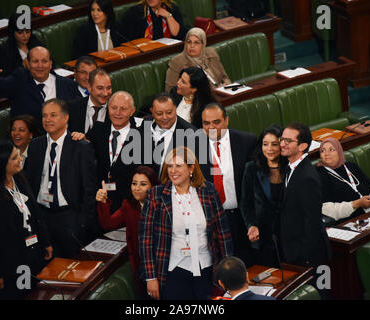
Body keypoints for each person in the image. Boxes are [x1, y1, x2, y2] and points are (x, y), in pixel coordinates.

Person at [139, 146, 233, 300]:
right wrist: (151, 277)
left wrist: (229, 270)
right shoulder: (156, 195)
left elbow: (223, 232)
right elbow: (145, 239)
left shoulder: (208, 190)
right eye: (169, 166)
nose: (173, 170)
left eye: (178, 166)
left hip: (206, 270)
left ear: (191, 168)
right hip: (172, 270)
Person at [0, 141, 53, 299]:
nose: (20, 159)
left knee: (36, 294)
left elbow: (35, 214)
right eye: (14, 158)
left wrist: (46, 242)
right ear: (1, 164)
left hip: (33, 255)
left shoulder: (19, 179)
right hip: (11, 263)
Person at [25, 99, 97, 258]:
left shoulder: (80, 146)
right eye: (44, 116)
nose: (47, 120)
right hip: (41, 216)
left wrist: (82, 223)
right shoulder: (35, 145)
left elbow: (89, 190)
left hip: (69, 218)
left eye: (53, 115)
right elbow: (28, 183)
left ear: (66, 118)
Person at [200, 102, 256, 267]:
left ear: (226, 120)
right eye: (206, 123)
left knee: (246, 265)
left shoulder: (247, 141)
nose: (211, 127)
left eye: (216, 122)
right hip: (210, 221)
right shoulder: (192, 146)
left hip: (240, 219)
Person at [96, 166, 158, 296]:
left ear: (153, 187)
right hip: (139, 266)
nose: (137, 188)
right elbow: (108, 224)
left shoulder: (161, 207)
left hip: (160, 266)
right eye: (134, 183)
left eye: (143, 184)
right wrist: (103, 202)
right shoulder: (128, 206)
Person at [0, 46, 80, 126]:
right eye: (35, 61)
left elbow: (77, 115)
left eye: (44, 61)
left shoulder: (69, 85)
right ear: (28, 64)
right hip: (30, 141)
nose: (40, 66)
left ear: (50, 64)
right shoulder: (19, 80)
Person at [279, 122, 331, 269]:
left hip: (308, 256)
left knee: (320, 291)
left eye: (288, 141)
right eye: (282, 139)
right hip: (293, 251)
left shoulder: (307, 177)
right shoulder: (290, 168)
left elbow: (312, 220)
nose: (282, 144)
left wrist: (305, 256)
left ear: (302, 146)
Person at [85, 91, 143, 213]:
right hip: (98, 201)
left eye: (123, 109)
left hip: (127, 205)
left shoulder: (142, 137)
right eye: (114, 108)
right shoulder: (97, 130)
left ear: (132, 111)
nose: (117, 113)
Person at [240, 124, 287, 268]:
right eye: (265, 144)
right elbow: (246, 203)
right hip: (262, 234)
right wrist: (251, 224)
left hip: (287, 233)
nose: (269, 149)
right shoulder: (251, 168)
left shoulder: (290, 167)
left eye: (274, 144)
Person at [316, 137, 370, 225]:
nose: (326, 154)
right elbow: (325, 208)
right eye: (323, 151)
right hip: (346, 221)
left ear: (339, 151)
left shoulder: (350, 166)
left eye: (331, 150)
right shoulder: (318, 175)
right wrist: (356, 204)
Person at [139, 92, 197, 178]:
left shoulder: (191, 134)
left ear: (175, 109)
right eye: (159, 113)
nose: (165, 117)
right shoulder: (146, 124)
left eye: (169, 112)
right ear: (152, 111)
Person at [165, 27, 231, 92]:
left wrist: (225, 85)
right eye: (189, 42)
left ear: (203, 44)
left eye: (196, 42)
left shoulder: (211, 53)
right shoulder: (177, 61)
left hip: (220, 93)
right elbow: (170, 90)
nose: (192, 46)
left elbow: (225, 78)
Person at [0, 12, 43, 77]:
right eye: (20, 32)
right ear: (13, 32)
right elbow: (6, 76)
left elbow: (50, 61)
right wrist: (22, 67)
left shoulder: (35, 41)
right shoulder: (5, 50)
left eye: (28, 31)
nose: (25, 36)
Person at [68, 67, 112, 133]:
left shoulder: (117, 113)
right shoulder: (72, 107)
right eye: (100, 88)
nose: (105, 93)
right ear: (89, 87)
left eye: (108, 88)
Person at [120, 0, 184, 42]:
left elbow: (176, 33)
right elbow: (125, 38)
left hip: (168, 51)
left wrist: (168, 16)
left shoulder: (171, 8)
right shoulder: (136, 12)